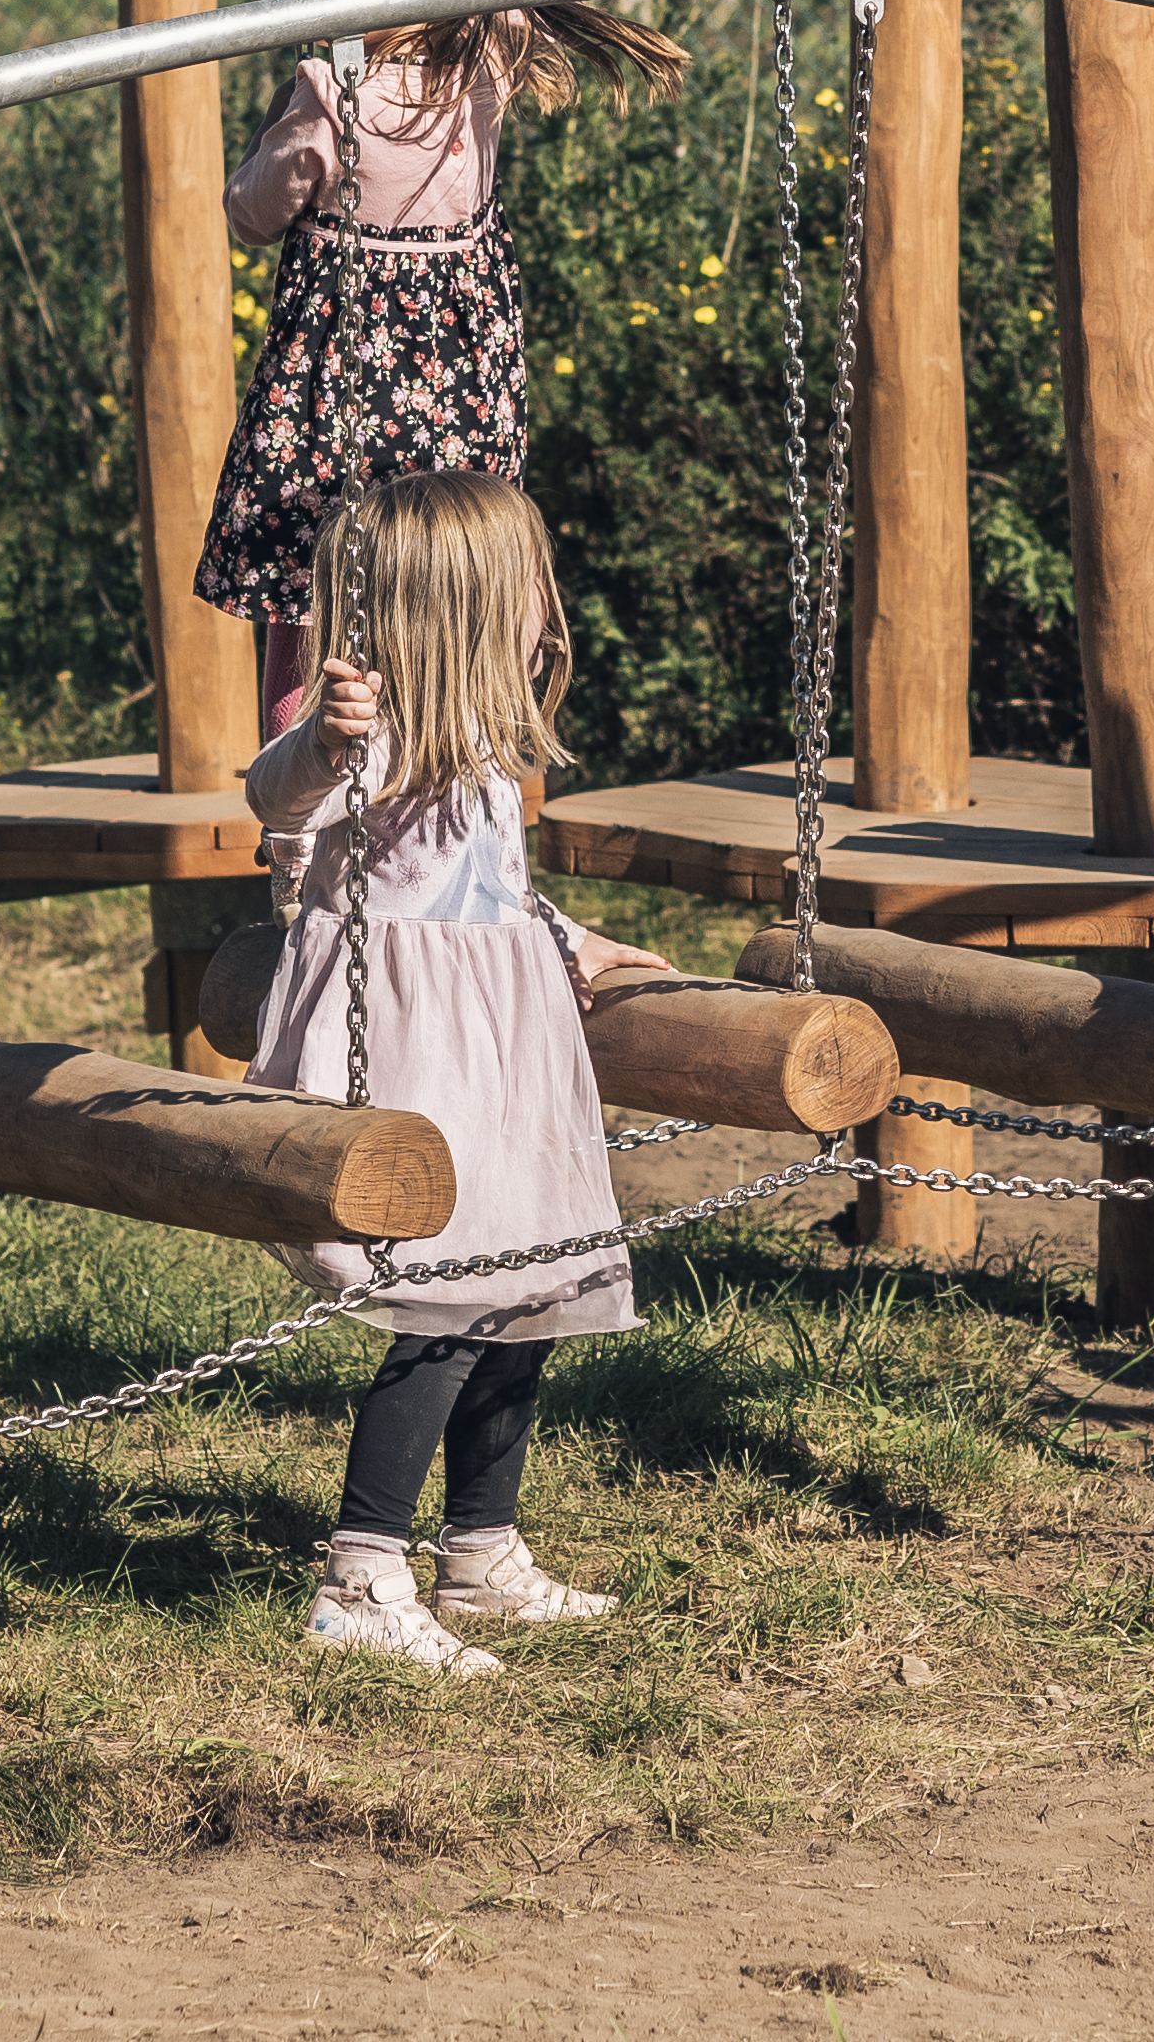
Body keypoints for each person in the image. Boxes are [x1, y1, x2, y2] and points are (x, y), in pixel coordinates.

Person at [242, 468, 673, 1674]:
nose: (551, 598)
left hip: (503, 1049)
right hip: (421, 1059)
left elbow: (482, 889)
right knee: (449, 1302)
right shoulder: (364, 744)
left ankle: (479, 1549)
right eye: (531, 578)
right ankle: (362, 1572)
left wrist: (567, 940)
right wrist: (326, 743)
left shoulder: (483, 747)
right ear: (471, 609)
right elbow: (275, 800)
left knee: (524, 1290)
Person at [193, 0, 683, 744]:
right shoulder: (490, 48)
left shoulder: (325, 93)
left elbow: (252, 214)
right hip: (461, 368)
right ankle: (486, 702)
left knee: (317, 564)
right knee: (462, 540)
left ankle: (303, 763)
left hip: (341, 373)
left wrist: (276, 133)